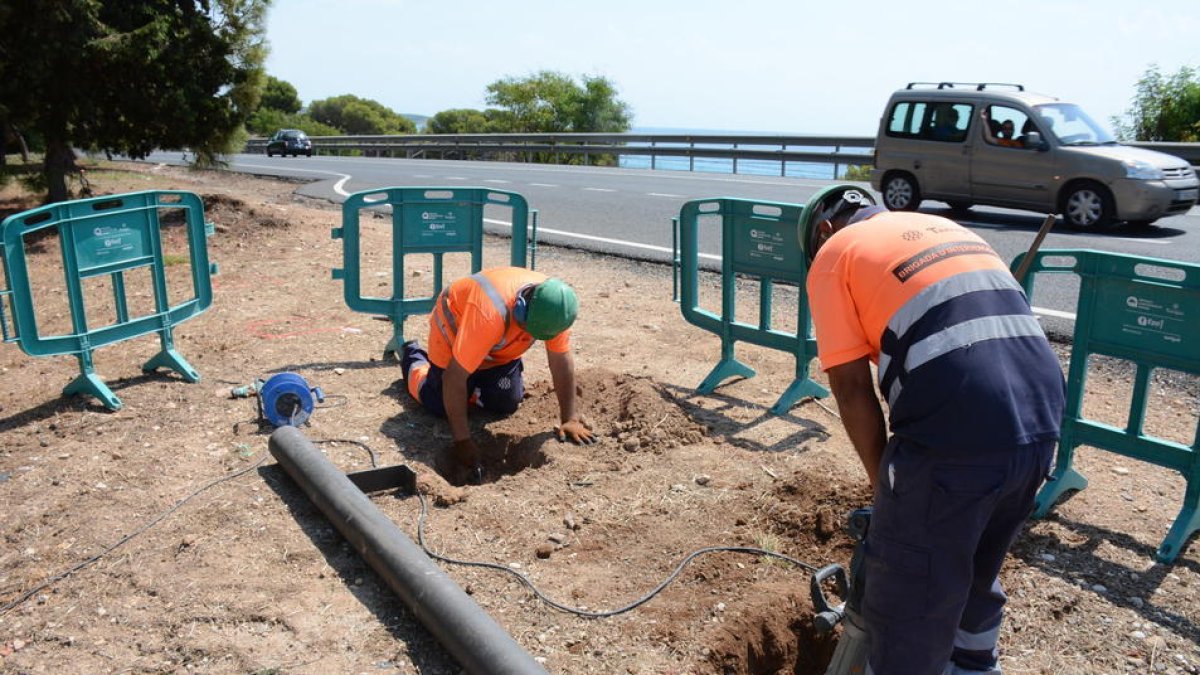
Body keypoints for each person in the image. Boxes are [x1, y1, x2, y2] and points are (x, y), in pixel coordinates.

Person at [799, 186, 1065, 675]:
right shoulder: (944, 228)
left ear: (824, 230)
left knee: (909, 604)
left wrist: (887, 491)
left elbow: (852, 389)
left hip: (957, 431)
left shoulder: (835, 253)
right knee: (974, 574)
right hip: (1041, 419)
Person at [401, 267, 596, 484]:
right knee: (439, 404)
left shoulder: (555, 309)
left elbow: (560, 360)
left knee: (505, 403)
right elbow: (453, 378)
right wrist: (462, 441)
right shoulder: (489, 313)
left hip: (495, 350)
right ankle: (414, 358)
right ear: (520, 307)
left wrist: (569, 419)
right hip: (454, 337)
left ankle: (472, 386)